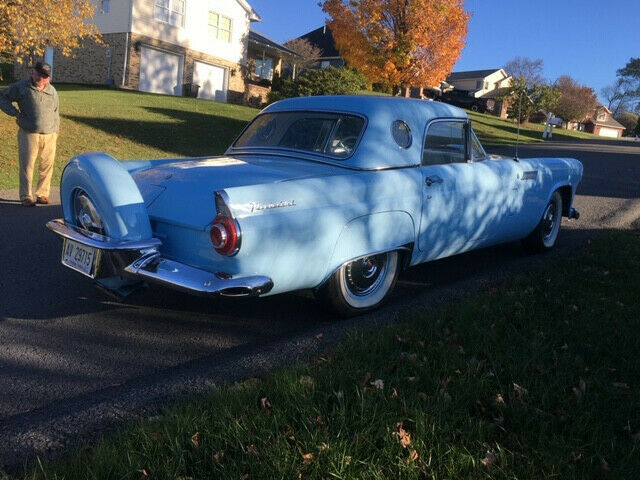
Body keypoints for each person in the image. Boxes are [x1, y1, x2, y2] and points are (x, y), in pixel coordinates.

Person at [0, 62, 60, 206]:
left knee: (47, 165)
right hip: (29, 133)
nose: (41, 78)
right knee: (27, 165)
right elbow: (2, 97)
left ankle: (43, 194)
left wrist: (57, 128)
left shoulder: (52, 91)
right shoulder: (21, 87)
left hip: (50, 134)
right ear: (32, 72)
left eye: (44, 76)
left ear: (49, 78)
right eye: (38, 74)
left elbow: (56, 111)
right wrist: (14, 113)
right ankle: (26, 196)